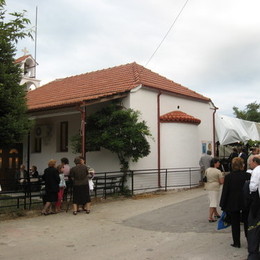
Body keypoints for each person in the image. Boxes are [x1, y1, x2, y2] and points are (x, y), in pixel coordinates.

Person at [220, 157, 251, 248]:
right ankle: (250, 241)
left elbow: (225, 191)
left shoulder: (229, 177)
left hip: (233, 202)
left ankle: (236, 242)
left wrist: (223, 204)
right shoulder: (247, 176)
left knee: (235, 223)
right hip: (246, 202)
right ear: (242, 165)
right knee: (247, 222)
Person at [247, 155, 260, 260]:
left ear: (255, 162)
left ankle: (254, 254)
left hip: (258, 202)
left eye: (250, 162)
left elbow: (253, 187)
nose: (249, 164)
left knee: (254, 227)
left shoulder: (256, 171)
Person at [205, 158, 224, 222]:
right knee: (214, 202)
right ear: (215, 163)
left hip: (208, 186)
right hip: (215, 187)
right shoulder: (218, 171)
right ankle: (210, 217)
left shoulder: (207, 170)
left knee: (212, 200)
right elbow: (221, 181)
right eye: (218, 162)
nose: (219, 163)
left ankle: (216, 213)